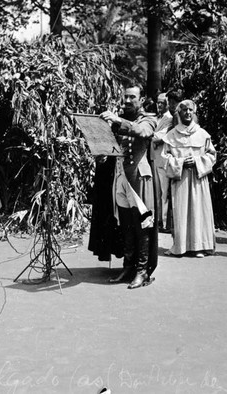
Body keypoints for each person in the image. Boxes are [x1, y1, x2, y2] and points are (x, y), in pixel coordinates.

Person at [99, 84, 157, 289]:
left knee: (142, 225)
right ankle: (128, 267)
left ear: (141, 100)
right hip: (120, 177)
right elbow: (111, 146)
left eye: (133, 97)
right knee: (125, 225)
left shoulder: (149, 119)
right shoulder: (119, 121)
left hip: (139, 177)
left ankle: (142, 271)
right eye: (125, 97)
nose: (128, 101)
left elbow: (142, 132)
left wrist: (117, 120)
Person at [162, 99, 216, 257]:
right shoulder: (171, 135)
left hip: (199, 178)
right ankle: (180, 247)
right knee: (181, 211)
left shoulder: (202, 134)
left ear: (194, 112)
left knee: (199, 211)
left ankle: (199, 247)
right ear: (178, 113)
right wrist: (180, 163)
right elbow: (165, 158)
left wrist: (198, 161)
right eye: (184, 110)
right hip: (181, 179)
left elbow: (212, 155)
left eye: (190, 110)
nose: (187, 113)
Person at [149, 93, 173, 232]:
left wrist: (147, 134)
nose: (159, 105)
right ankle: (157, 220)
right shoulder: (156, 118)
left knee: (164, 193)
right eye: (157, 102)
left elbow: (160, 137)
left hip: (163, 158)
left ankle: (164, 223)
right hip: (154, 157)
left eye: (161, 103)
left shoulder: (169, 119)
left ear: (167, 104)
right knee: (156, 192)